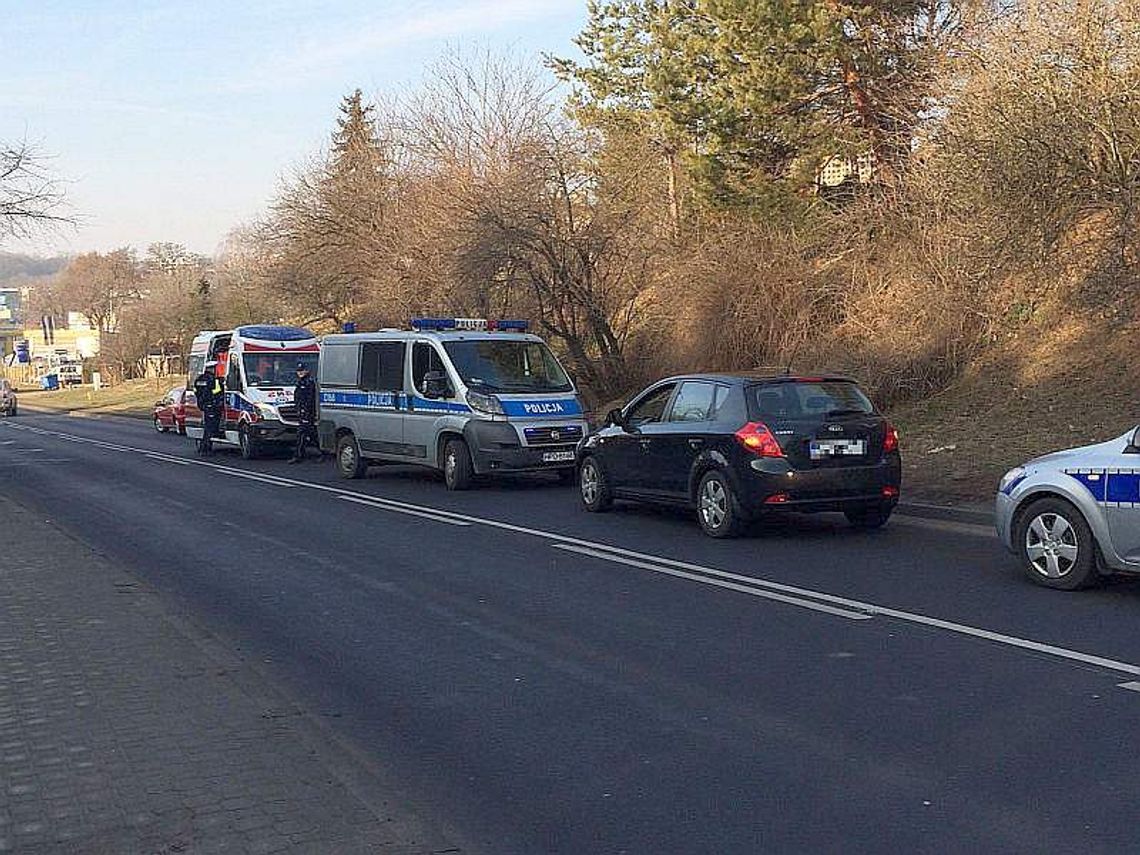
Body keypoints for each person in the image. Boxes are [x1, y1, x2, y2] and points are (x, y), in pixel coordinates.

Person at [193, 361, 225, 456]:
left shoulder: (199, 379)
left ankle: (204, 448)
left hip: (203, 405)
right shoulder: (214, 381)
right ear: (212, 369)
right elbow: (218, 393)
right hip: (212, 406)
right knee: (210, 428)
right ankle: (205, 449)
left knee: (207, 427)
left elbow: (196, 392)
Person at [290, 362, 319, 463]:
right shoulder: (301, 382)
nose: (300, 372)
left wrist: (305, 411)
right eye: (299, 371)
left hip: (307, 412)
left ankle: (299, 456)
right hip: (302, 412)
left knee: (302, 434)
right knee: (310, 434)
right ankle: (321, 453)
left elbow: (310, 399)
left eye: (302, 370)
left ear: (307, 371)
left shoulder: (308, 382)